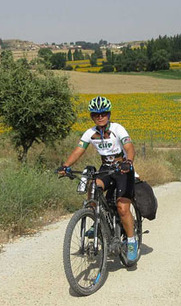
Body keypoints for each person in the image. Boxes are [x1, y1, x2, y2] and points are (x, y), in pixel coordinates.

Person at [58, 96, 138, 261]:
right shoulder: (90, 133)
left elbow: (129, 147)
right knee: (93, 186)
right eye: (96, 114)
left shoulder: (118, 128)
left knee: (122, 208)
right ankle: (96, 219)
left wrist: (128, 162)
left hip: (122, 169)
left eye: (103, 114)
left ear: (108, 114)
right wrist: (65, 166)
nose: (100, 117)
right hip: (106, 168)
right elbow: (79, 150)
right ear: (92, 116)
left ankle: (131, 241)